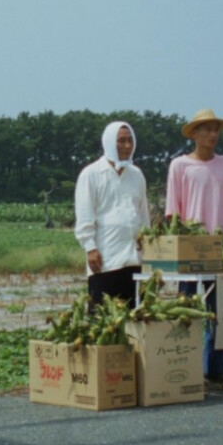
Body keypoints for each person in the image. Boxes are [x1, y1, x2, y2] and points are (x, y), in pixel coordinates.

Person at [165, 108, 223, 382]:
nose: (212, 134)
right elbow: (173, 211)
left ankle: (217, 368)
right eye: (206, 129)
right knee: (185, 304)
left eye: (215, 129)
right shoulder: (180, 166)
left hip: (219, 245)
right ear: (194, 134)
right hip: (190, 244)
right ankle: (182, 363)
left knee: (219, 308)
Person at [74, 120, 150, 311]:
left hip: (134, 261)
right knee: (103, 323)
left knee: (135, 322)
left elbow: (143, 214)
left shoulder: (137, 175)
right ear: (109, 142)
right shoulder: (91, 174)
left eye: (130, 141)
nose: (127, 146)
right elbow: (84, 215)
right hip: (105, 261)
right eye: (121, 141)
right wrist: (90, 247)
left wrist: (147, 243)